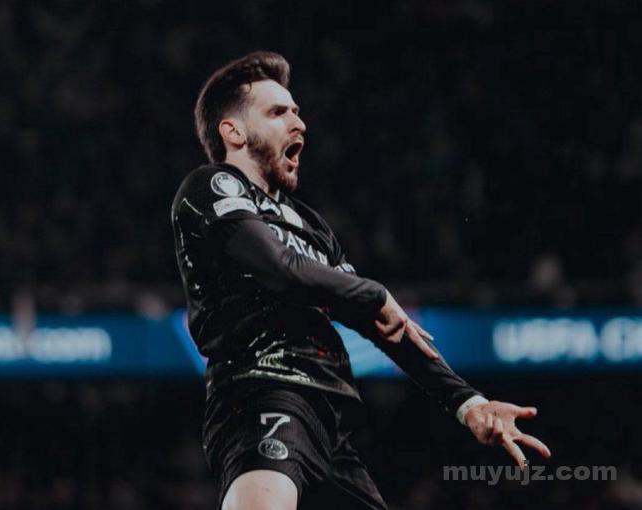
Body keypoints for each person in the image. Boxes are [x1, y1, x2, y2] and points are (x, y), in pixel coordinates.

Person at [171, 51, 551, 510]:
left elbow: (380, 322)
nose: (299, 123)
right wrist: (374, 293)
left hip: (331, 425)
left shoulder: (311, 226)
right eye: (277, 112)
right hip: (261, 393)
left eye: (296, 111)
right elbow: (278, 268)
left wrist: (467, 402)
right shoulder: (211, 186)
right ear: (233, 132)